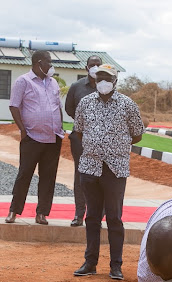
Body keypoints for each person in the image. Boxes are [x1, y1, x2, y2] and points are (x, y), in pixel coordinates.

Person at [72, 64, 144, 281]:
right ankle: (90, 262)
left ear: (115, 81)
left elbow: (138, 134)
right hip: (90, 167)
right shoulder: (85, 103)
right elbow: (78, 130)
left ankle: (116, 265)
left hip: (115, 168)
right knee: (92, 217)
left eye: (107, 78)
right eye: (99, 77)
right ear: (94, 80)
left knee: (114, 217)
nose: (103, 81)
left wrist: (116, 145)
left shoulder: (127, 105)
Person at [5, 50, 64, 225]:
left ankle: (42, 213)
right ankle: (14, 211)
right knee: (24, 174)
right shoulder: (23, 81)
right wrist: (23, 130)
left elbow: (57, 106)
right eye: (49, 62)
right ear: (39, 63)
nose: (51, 66)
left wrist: (59, 126)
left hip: (53, 138)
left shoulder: (53, 83)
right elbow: (14, 106)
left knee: (48, 177)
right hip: (32, 137)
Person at [64, 55, 102, 227]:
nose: (95, 67)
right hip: (80, 138)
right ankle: (79, 215)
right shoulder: (76, 87)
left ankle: (96, 217)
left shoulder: (107, 87)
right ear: (86, 67)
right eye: (92, 65)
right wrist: (84, 123)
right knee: (81, 176)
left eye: (98, 65)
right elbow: (69, 108)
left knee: (100, 177)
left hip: (102, 140)